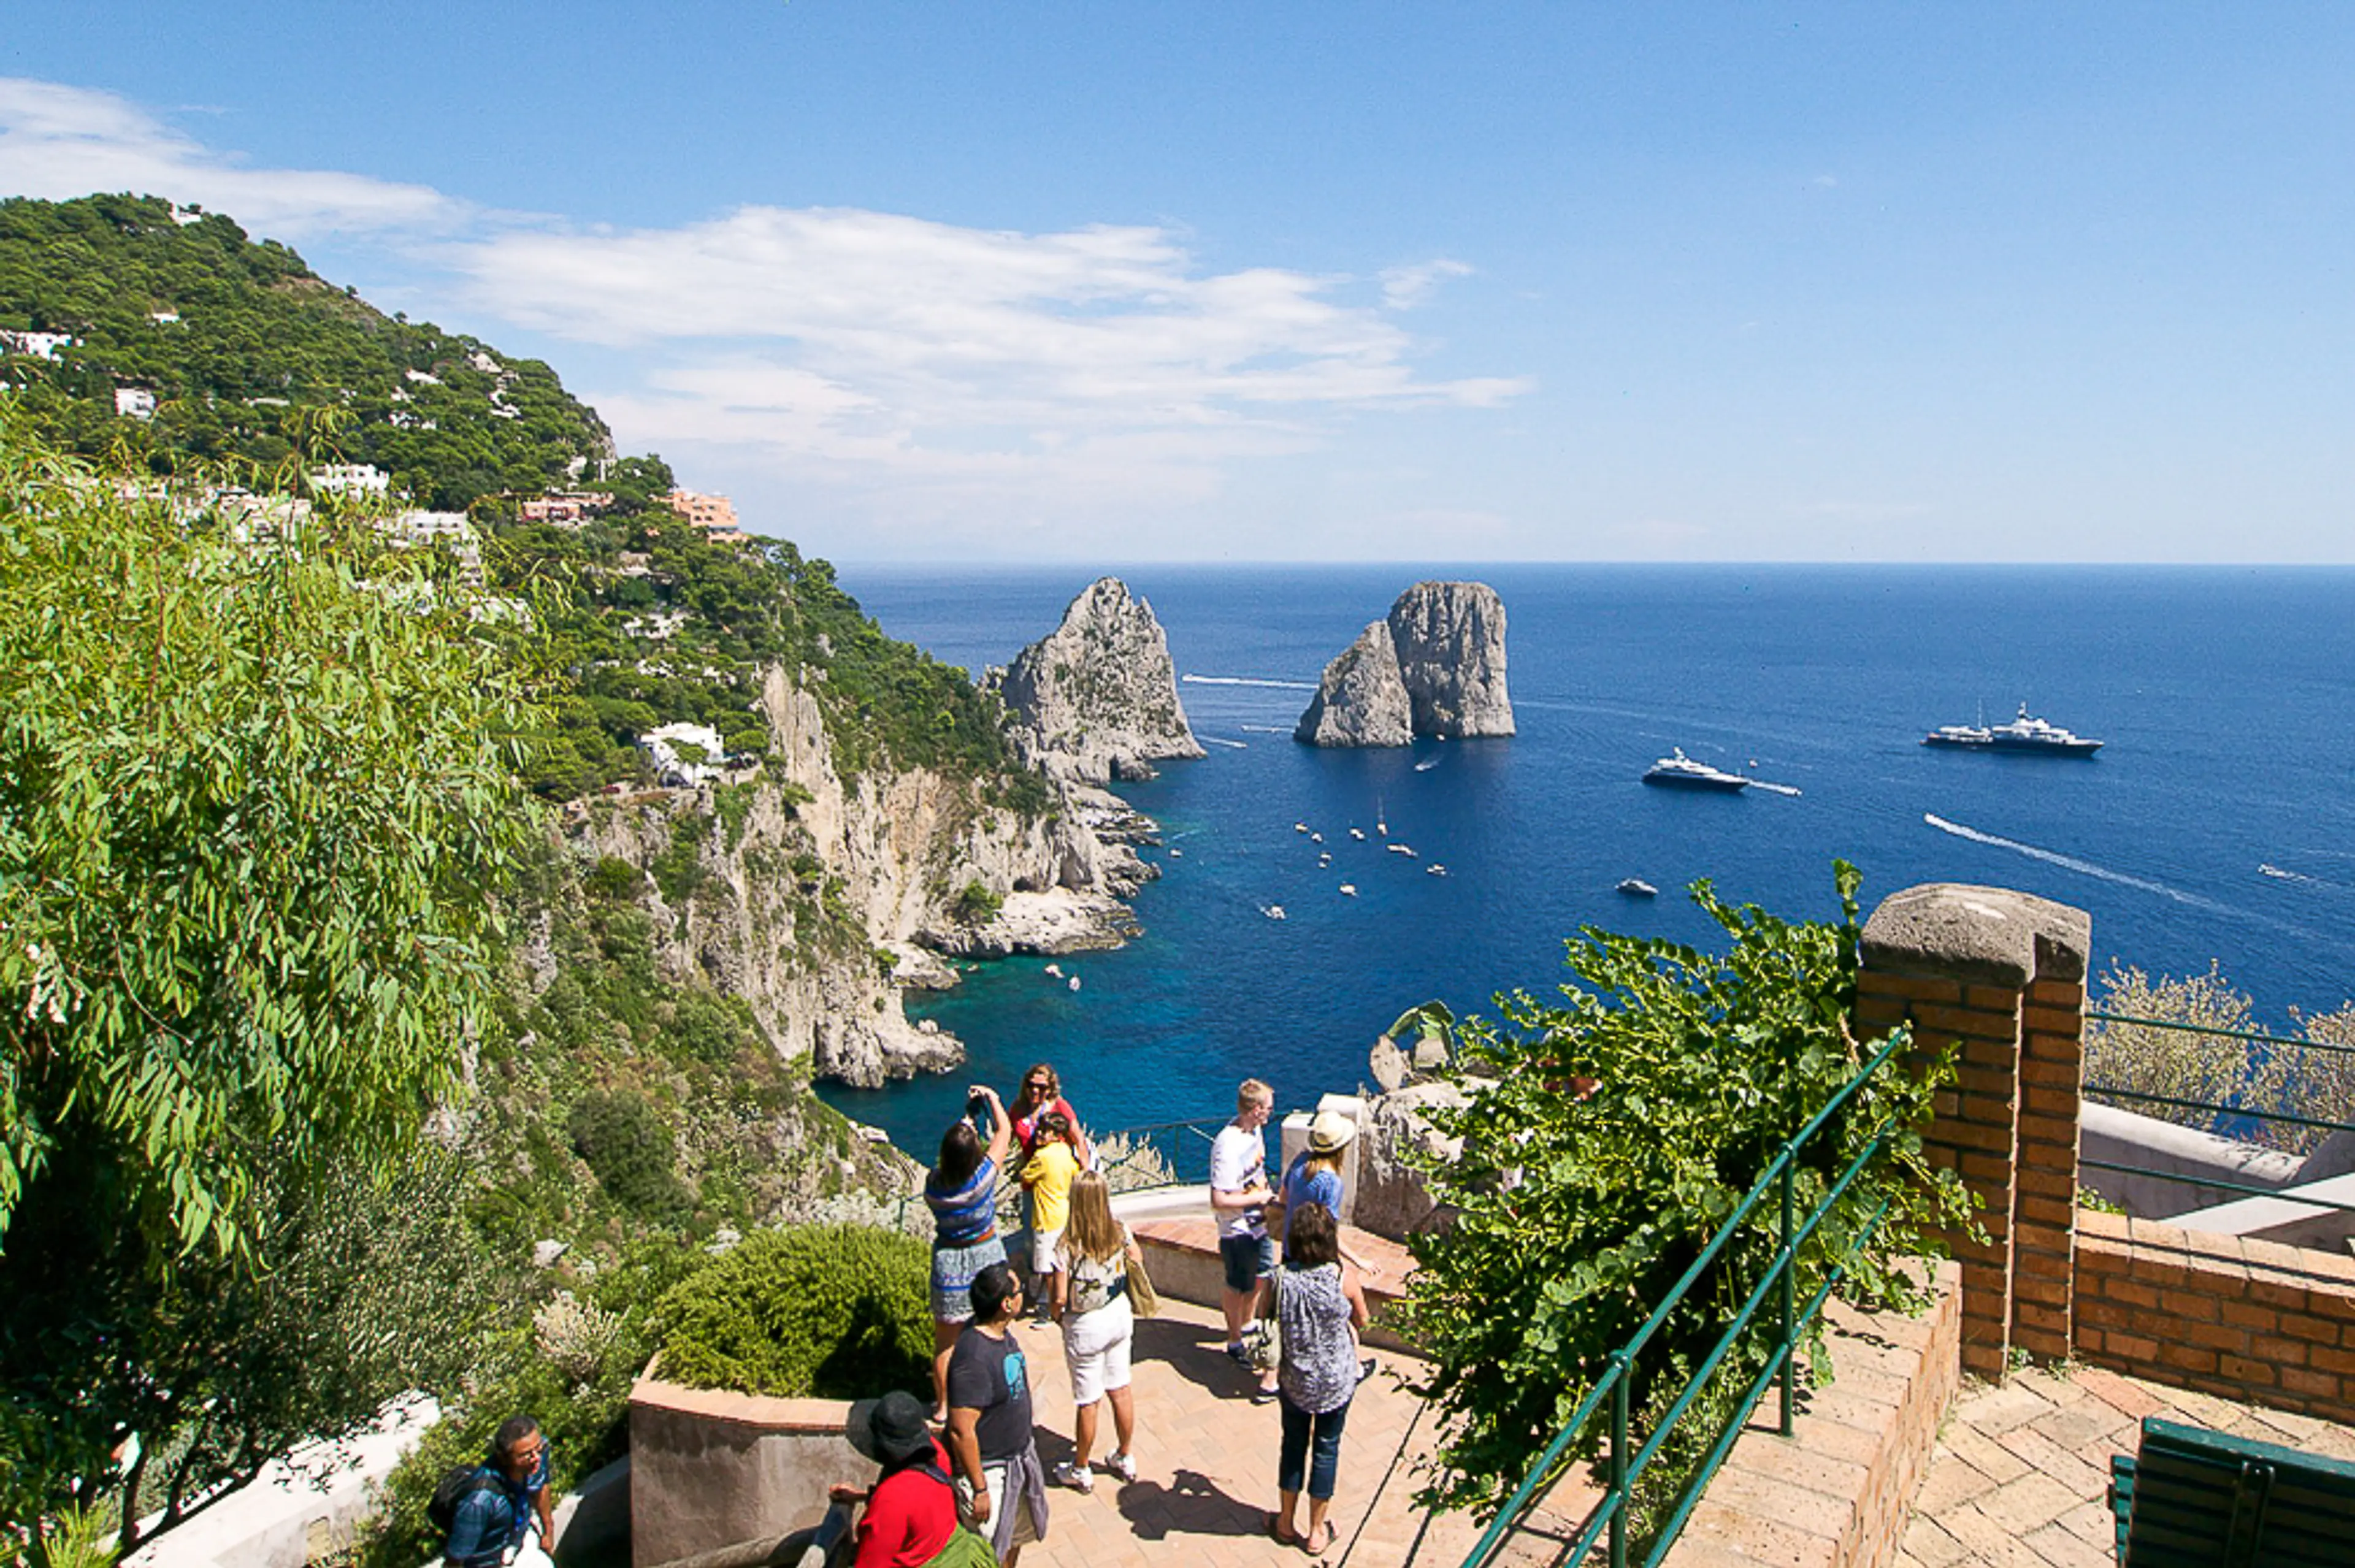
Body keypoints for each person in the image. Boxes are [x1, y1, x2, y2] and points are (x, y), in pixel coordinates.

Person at [1258, 1202, 1371, 1556]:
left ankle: (1285, 1522)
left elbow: (1264, 1315)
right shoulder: (1343, 1280)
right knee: (1326, 1451)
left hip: (1294, 1380)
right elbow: (1363, 1321)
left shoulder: (1280, 1280)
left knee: (1293, 1447)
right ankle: (1318, 1531)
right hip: (1335, 1382)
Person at [946, 1261, 1049, 1566]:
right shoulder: (974, 1360)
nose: (1023, 1297)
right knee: (987, 1555)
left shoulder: (1001, 1334)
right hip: (991, 1475)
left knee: (1014, 1541)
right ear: (1006, 1304)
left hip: (1017, 1465)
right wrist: (979, 1490)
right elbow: (961, 1430)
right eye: (1019, 1291)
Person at [1048, 1169, 1142, 1491]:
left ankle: (1081, 1468)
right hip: (1118, 1314)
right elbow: (1137, 1258)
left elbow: (1060, 1295)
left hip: (1085, 1326)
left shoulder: (1066, 1245)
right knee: (1121, 1388)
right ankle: (1125, 1456)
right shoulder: (1119, 1230)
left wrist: (1057, 1315)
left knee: (1089, 1399)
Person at [830, 1390, 994, 1568]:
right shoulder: (938, 1456)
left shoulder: (892, 1499)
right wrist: (862, 1496)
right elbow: (917, 1507)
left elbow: (872, 1564)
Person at [925, 1085, 1011, 1421]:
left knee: (946, 1342)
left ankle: (944, 1407)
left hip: (949, 1262)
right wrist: (993, 1099)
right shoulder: (981, 1181)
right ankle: (993, 1395)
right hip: (985, 1256)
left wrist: (966, 1122)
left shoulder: (933, 1187)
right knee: (993, 1330)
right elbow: (1004, 1132)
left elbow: (955, 1157)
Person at [1209, 1079, 1278, 1394]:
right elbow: (1220, 1200)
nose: (1271, 1114)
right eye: (1267, 1108)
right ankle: (1234, 1339)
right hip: (1237, 1229)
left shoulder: (1254, 1131)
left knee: (1262, 1275)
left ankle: (1248, 1323)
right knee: (1238, 1284)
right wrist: (1258, 1199)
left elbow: (1258, 1165)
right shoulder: (1227, 1144)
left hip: (1259, 1223)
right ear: (1255, 1109)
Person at [1269, 1110, 1380, 1279]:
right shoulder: (1332, 1184)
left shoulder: (1300, 1161)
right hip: (1315, 1259)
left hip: (1290, 1250)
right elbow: (1329, 1233)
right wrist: (1359, 1261)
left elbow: (1283, 1199)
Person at [442, 1415, 554, 1568]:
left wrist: (548, 1532)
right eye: (526, 1455)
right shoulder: (479, 1501)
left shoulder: (537, 1454)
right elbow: (455, 1558)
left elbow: (541, 1487)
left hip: (521, 1541)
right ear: (504, 1458)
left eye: (538, 1449)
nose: (536, 1458)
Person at [1019, 1110, 1084, 1320]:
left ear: (1057, 1135)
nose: (1040, 1134)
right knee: (1062, 1262)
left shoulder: (1042, 1156)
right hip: (1063, 1214)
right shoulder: (1065, 1151)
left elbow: (1025, 1177)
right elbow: (1076, 1171)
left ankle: (1049, 1309)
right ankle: (1063, 1302)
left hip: (1046, 1218)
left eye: (1045, 1131)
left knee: (1047, 1268)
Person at [1006, 1063, 1090, 1166]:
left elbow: (1079, 1140)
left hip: (1059, 1170)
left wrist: (1086, 1171)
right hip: (1033, 1169)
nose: (1035, 1090)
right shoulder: (1018, 1108)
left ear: (1050, 1089)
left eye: (1041, 1087)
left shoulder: (1060, 1106)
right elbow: (1005, 1139)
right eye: (1031, 1085)